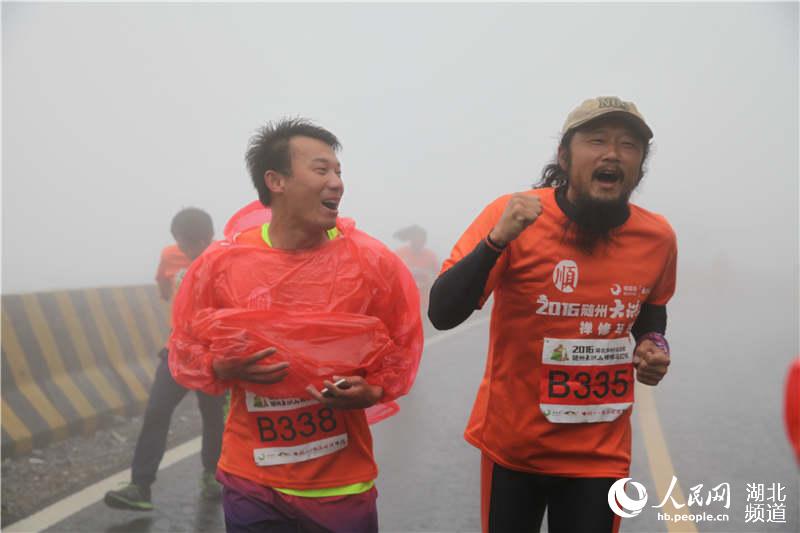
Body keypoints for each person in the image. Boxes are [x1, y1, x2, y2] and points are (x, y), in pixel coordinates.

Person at [429, 96, 677, 533]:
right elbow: (443, 313)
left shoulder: (656, 237)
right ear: (564, 156)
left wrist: (653, 344)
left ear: (640, 165)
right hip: (514, 448)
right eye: (597, 140)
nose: (613, 154)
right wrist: (496, 241)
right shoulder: (514, 216)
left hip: (600, 455)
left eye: (629, 145)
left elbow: (650, 311)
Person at [168, 119, 423, 533]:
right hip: (252, 478)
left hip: (340, 484)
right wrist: (222, 367)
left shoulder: (370, 263)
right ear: (276, 181)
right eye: (322, 170)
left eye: (339, 172)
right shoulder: (221, 265)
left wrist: (374, 389)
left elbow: (401, 344)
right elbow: (184, 348)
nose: (337, 183)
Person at [104, 207, 224, 511]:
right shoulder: (170, 256)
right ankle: (140, 486)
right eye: (184, 244)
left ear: (209, 238)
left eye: (195, 244)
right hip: (177, 353)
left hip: (212, 356)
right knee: (157, 411)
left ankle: (212, 474)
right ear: (176, 241)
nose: (189, 250)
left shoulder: (225, 259)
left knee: (212, 416)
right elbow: (163, 284)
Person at [393, 224, 439, 324]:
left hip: (425, 302)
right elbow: (392, 274)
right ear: (411, 240)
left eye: (421, 240)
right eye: (416, 240)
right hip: (405, 302)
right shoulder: (400, 253)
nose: (418, 243)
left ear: (424, 241)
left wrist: (425, 275)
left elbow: (438, 276)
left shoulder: (430, 256)